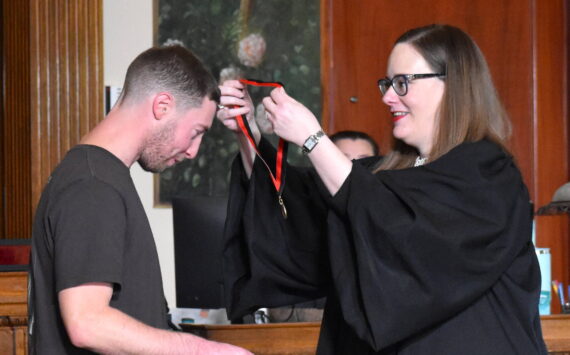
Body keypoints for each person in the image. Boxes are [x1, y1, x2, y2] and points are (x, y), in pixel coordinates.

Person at [217, 24, 547, 354]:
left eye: (402, 83)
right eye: (387, 84)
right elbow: (301, 215)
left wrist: (313, 139)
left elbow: (402, 235)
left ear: (452, 84)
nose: (388, 97)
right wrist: (249, 136)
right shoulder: (383, 175)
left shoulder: (487, 175)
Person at [28, 45, 252, 355]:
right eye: (197, 131)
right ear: (162, 106)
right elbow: (86, 322)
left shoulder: (101, 177)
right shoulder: (93, 186)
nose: (193, 151)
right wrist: (202, 351)